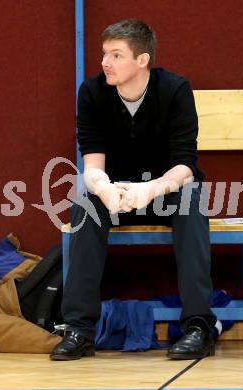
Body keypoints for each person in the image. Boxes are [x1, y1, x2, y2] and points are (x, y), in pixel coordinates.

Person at [50, 19, 216, 361]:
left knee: (191, 202)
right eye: (103, 54)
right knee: (85, 204)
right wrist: (105, 189)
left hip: (163, 189)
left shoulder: (174, 89)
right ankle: (79, 329)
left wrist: (152, 189)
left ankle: (198, 326)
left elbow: (186, 164)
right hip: (118, 192)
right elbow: (92, 166)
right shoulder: (93, 93)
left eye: (115, 55)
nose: (104, 62)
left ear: (142, 60)